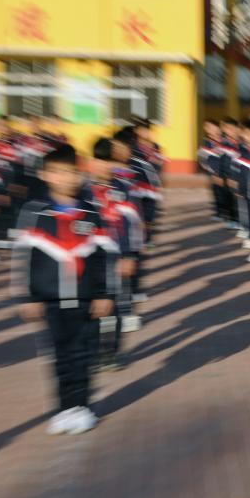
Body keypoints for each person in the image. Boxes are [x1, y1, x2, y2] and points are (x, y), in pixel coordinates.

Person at [12, 144, 116, 435]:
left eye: (71, 172)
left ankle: (81, 406)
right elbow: (23, 257)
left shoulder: (91, 215)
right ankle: (64, 409)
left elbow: (105, 257)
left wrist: (105, 294)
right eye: (57, 172)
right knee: (58, 356)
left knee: (83, 354)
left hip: (85, 300)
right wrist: (28, 296)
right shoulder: (34, 213)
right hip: (51, 300)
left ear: (80, 176)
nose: (65, 178)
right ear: (45, 175)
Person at [91, 137, 145, 366]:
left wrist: (131, 256)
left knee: (118, 305)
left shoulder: (124, 190)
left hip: (117, 257)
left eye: (108, 161)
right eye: (99, 161)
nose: (103, 166)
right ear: (90, 162)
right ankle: (92, 351)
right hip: (90, 259)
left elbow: (134, 224)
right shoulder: (83, 191)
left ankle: (110, 352)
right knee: (90, 307)